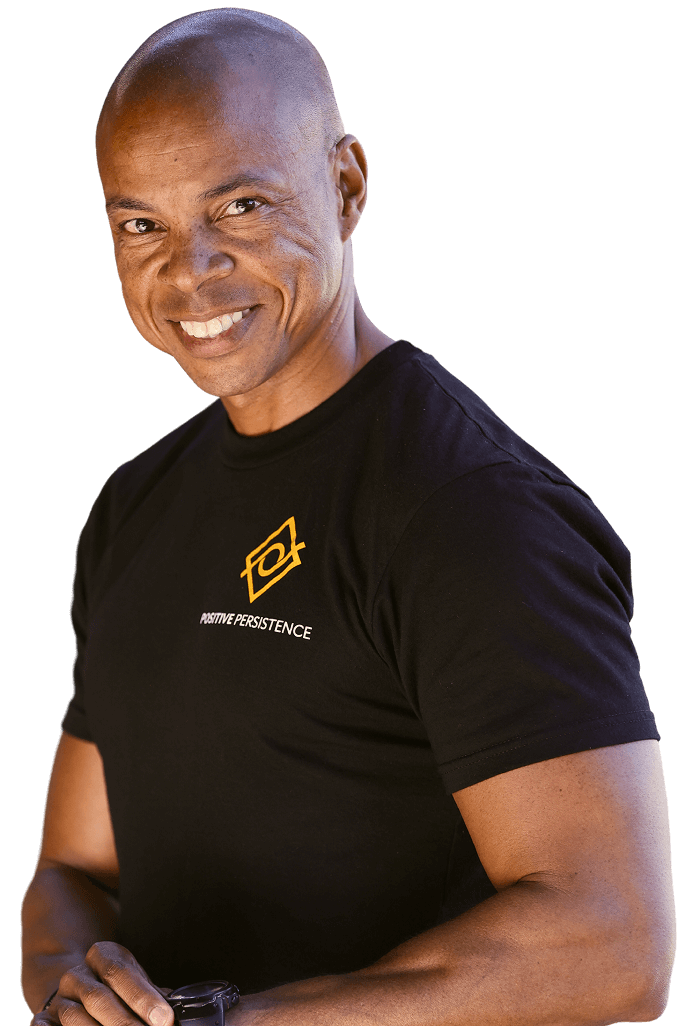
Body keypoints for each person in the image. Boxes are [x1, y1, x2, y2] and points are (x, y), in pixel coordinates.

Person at [22, 8, 675, 1025]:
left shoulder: (473, 511)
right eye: (141, 225)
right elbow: (74, 870)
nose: (187, 270)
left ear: (346, 186)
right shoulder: (134, 505)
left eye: (240, 206)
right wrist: (76, 987)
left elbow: (611, 944)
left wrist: (227, 1023)